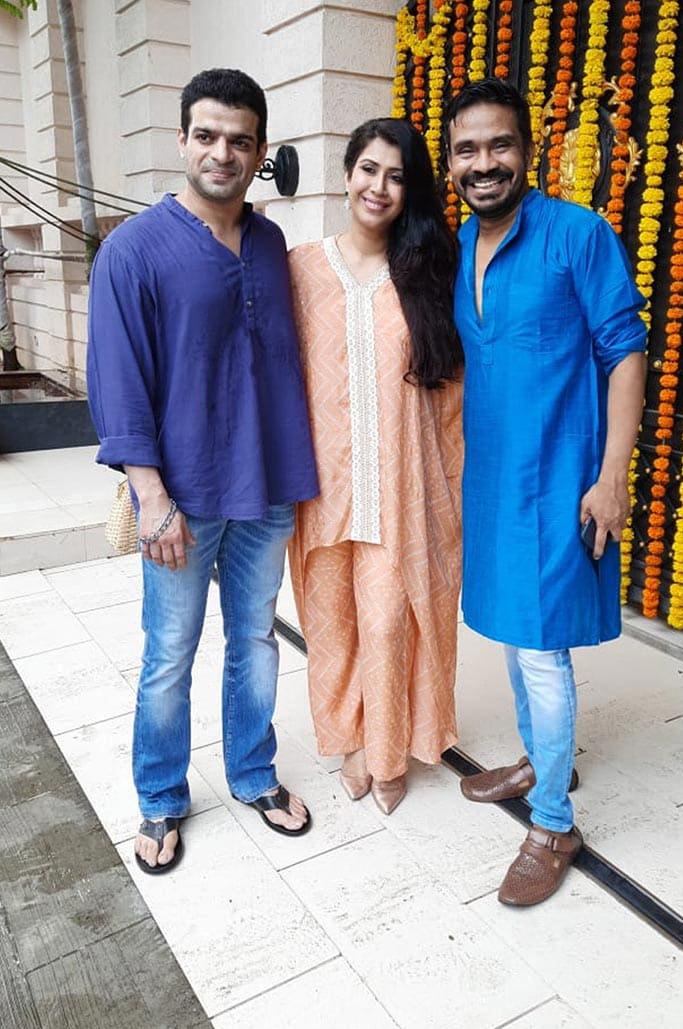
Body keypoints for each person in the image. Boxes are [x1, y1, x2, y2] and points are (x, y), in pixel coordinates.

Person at [87, 68, 319, 874]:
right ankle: (159, 797)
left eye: (240, 140)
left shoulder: (269, 242)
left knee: (253, 640)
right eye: (208, 135)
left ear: (260, 153)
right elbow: (118, 381)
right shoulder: (133, 250)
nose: (224, 152)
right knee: (169, 652)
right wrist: (150, 497)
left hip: (266, 486)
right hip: (182, 494)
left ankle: (253, 773)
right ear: (182, 139)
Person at [446, 78, 647, 905]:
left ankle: (554, 819)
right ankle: (541, 759)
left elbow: (626, 352)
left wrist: (612, 478)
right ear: (452, 161)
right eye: (467, 149)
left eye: (499, 145)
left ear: (527, 151)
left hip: (562, 480)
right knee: (510, 633)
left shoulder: (578, 235)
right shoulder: (459, 245)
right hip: (492, 479)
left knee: (540, 647)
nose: (484, 163)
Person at [287, 118, 464, 815]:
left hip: (399, 490)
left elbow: (451, 396)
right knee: (332, 625)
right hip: (324, 489)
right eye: (368, 169)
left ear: (409, 188)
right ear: (347, 173)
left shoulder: (426, 275)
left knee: (389, 622)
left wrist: (450, 487)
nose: (379, 186)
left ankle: (387, 754)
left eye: (395, 175)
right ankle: (352, 737)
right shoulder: (302, 269)